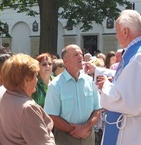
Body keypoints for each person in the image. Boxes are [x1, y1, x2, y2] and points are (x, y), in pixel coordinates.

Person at [86, 9, 141, 145]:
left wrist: (105, 85)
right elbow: (124, 77)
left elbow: (129, 101)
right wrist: (97, 70)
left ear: (125, 32)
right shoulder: (134, 54)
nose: (116, 36)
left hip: (130, 129)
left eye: (117, 31)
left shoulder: (137, 57)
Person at [44, 44, 101, 145]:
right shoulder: (56, 85)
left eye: (81, 53)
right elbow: (52, 115)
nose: (81, 57)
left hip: (88, 136)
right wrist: (76, 131)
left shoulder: (89, 81)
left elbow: (97, 110)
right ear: (66, 61)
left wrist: (85, 128)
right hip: (65, 138)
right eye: (76, 55)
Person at [0, 53, 55, 145]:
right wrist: (48, 128)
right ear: (26, 81)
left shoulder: (5, 96)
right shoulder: (28, 108)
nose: (36, 80)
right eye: (35, 76)